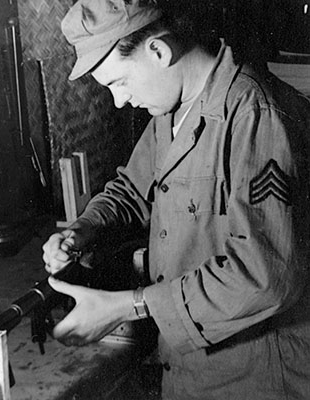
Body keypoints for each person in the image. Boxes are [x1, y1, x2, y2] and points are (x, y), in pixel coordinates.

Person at [41, 0, 310, 399]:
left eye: (119, 82)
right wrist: (84, 229)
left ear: (158, 51)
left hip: (258, 378)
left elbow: (265, 276)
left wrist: (128, 306)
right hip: (191, 370)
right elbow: (132, 190)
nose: (118, 101)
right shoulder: (173, 110)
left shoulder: (255, 115)